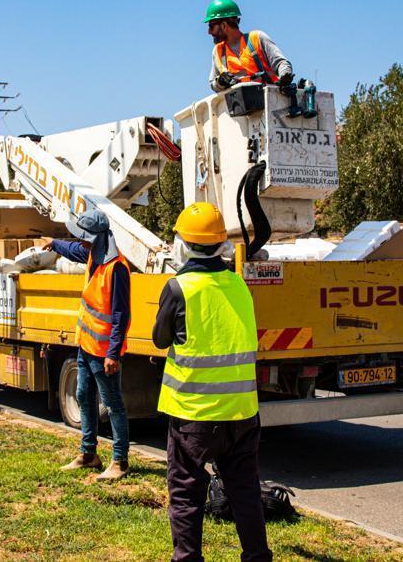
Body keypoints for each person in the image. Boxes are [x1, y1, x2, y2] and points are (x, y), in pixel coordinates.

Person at [153, 202, 271, 562]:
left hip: (193, 414)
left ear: (183, 245)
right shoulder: (238, 285)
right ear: (221, 244)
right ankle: (256, 556)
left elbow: (160, 339)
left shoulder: (179, 288)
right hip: (240, 413)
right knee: (245, 491)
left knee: (187, 493)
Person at [43, 209, 131, 481]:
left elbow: (120, 315)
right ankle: (88, 454)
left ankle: (120, 461)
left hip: (104, 352)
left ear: (97, 238)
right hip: (85, 345)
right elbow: (72, 250)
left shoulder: (116, 268)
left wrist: (113, 354)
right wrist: (54, 243)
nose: (81, 242)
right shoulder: (94, 255)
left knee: (113, 404)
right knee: (83, 395)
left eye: (84, 237)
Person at [205, 0, 293, 94]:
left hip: (269, 100)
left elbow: (282, 63)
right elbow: (212, 84)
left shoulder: (256, 38)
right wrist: (220, 82)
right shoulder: (218, 51)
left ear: (224, 25)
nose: (209, 32)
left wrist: (285, 78)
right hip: (239, 106)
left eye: (211, 26)